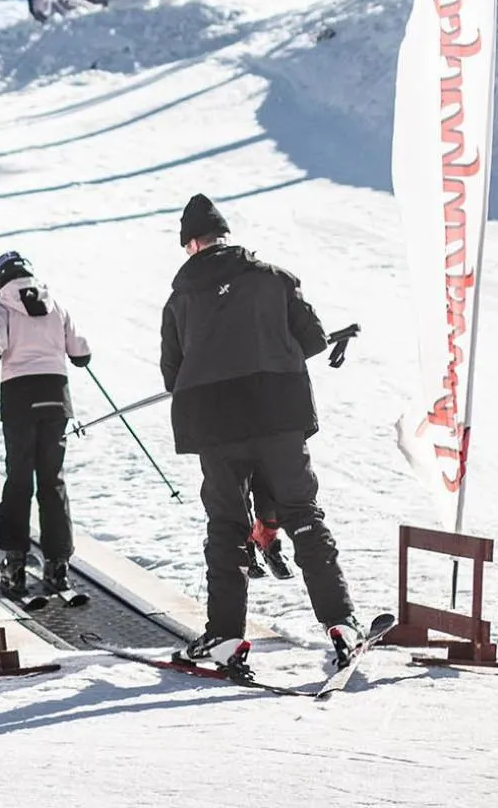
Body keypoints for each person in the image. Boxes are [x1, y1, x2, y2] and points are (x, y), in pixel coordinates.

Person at [160, 193, 362, 673]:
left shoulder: (179, 300)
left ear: (191, 244)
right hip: (278, 415)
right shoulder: (275, 279)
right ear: (225, 236)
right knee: (302, 513)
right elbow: (311, 339)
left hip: (216, 425)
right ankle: (341, 622)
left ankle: (225, 636)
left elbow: (172, 375)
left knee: (226, 526)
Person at [0, 250, 92, 597]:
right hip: (56, 398)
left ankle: (14, 565)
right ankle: (58, 566)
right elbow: (81, 354)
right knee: (52, 481)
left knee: (19, 480)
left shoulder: (1, 308)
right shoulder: (56, 305)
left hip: (19, 400)